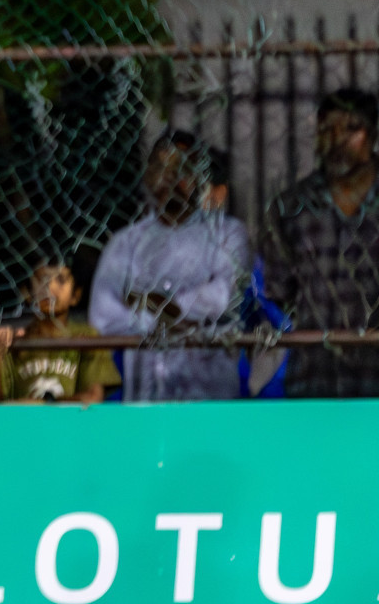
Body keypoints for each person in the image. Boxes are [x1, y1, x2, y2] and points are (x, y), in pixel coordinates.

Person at [90, 129, 245, 401]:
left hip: (210, 401)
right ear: (149, 177)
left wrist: (146, 303)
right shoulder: (125, 244)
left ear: (200, 177)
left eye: (183, 169)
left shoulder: (228, 235)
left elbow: (221, 298)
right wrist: (174, 319)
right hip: (145, 402)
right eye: (162, 168)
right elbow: (103, 316)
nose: (171, 178)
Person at [262, 88, 379, 397]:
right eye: (327, 129)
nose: (337, 140)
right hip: (314, 375)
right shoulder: (290, 208)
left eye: (352, 128)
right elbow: (277, 289)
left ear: (374, 134)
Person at [0, 257, 121, 403]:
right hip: (23, 425)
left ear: (75, 295)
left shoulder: (86, 336)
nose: (50, 288)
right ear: (27, 293)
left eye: (60, 280)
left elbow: (93, 398)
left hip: (70, 424)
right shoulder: (14, 341)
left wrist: (43, 404)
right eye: (41, 280)